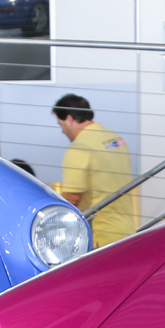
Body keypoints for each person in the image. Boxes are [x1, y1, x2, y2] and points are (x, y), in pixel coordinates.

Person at [53, 94, 138, 249]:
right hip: (126, 229)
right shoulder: (116, 140)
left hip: (101, 235)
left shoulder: (79, 148)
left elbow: (72, 197)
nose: (63, 131)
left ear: (69, 119)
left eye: (61, 125)